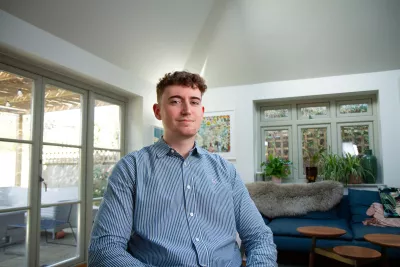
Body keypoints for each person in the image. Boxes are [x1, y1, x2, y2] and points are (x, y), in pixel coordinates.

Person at [88, 71, 277, 266]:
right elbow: (105, 250)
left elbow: (259, 238)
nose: (187, 110)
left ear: (201, 111)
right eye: (175, 101)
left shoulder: (225, 171)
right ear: (157, 111)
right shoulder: (131, 169)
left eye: (194, 102)